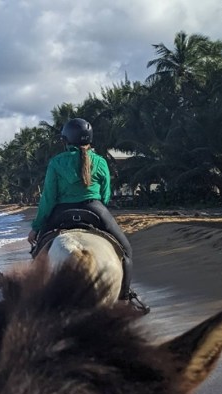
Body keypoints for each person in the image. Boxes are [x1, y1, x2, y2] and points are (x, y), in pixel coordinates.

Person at [26, 118, 138, 302]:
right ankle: (125, 298)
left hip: (60, 211)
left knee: (39, 253)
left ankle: (37, 300)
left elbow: (48, 198)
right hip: (94, 208)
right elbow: (106, 194)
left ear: (67, 140)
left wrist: (36, 226)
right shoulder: (100, 161)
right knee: (126, 251)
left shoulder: (56, 162)